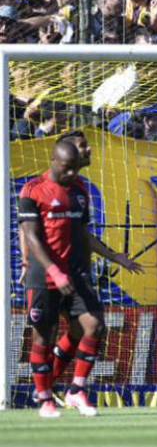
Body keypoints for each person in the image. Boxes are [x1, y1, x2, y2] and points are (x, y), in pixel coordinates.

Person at [18, 141, 142, 418]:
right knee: (43, 338)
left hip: (74, 273)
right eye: (66, 169)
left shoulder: (80, 190)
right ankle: (46, 400)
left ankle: (75, 390)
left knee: (94, 325)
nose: (72, 174)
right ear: (53, 160)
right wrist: (52, 270)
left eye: (75, 169)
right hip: (43, 275)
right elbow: (31, 236)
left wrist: (113, 256)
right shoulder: (32, 190)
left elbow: (82, 232)